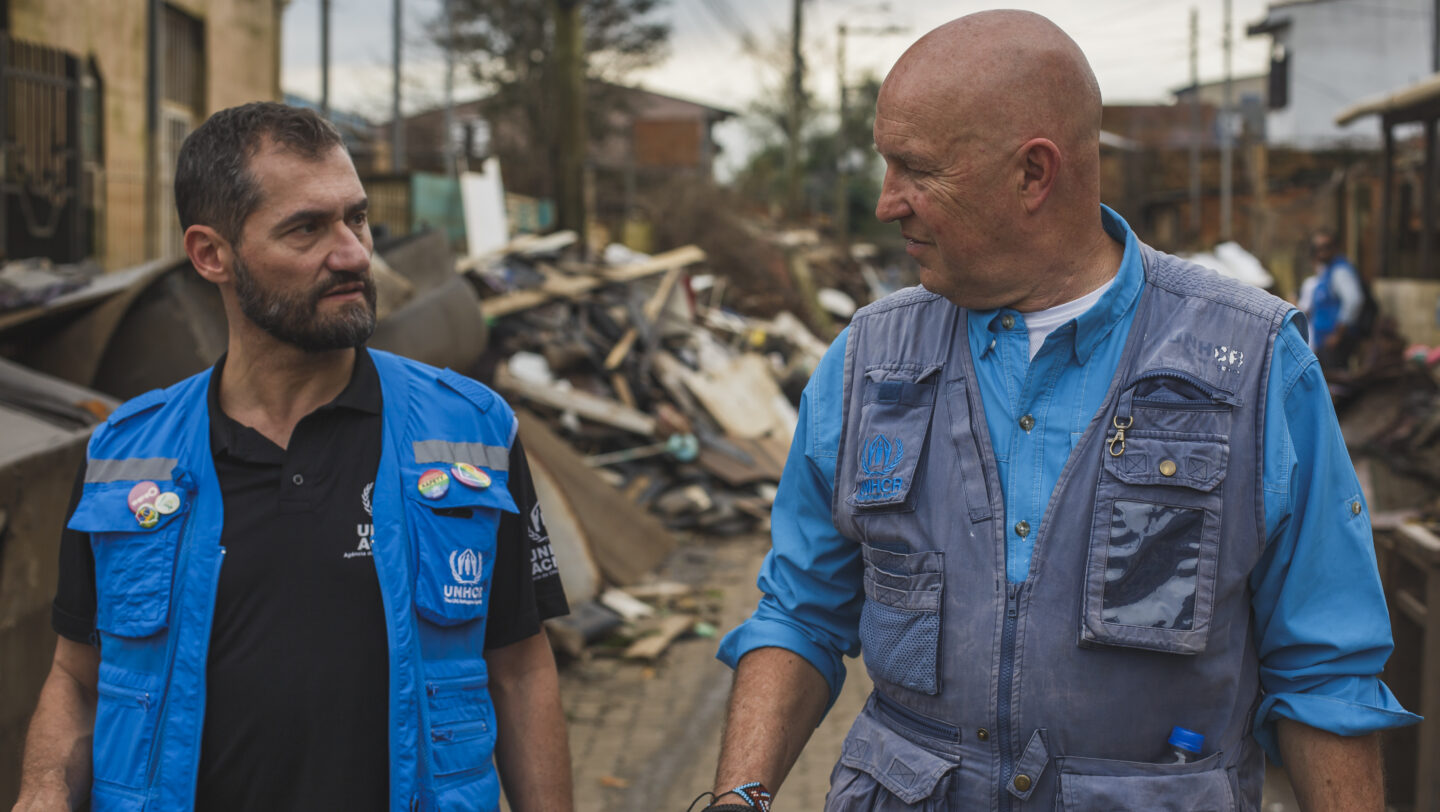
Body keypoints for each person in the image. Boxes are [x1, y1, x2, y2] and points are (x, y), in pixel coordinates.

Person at [699, 12, 1417, 812]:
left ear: (1033, 174)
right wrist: (741, 796)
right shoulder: (868, 361)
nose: (886, 202)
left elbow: (1324, 675)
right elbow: (800, 615)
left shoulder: (1254, 367)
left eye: (915, 170)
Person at [12, 102, 574, 812]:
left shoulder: (470, 432)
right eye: (307, 228)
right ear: (211, 254)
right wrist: (40, 789)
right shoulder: (126, 457)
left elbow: (520, 668)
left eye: (356, 218)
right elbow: (77, 676)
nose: (352, 253)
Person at [1297, 228, 1368, 371]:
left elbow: (1354, 301)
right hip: (1324, 341)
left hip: (1335, 342)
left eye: (1326, 247)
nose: (1322, 252)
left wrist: (1337, 334)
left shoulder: (1340, 271)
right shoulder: (1327, 271)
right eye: (1317, 248)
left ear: (1335, 247)